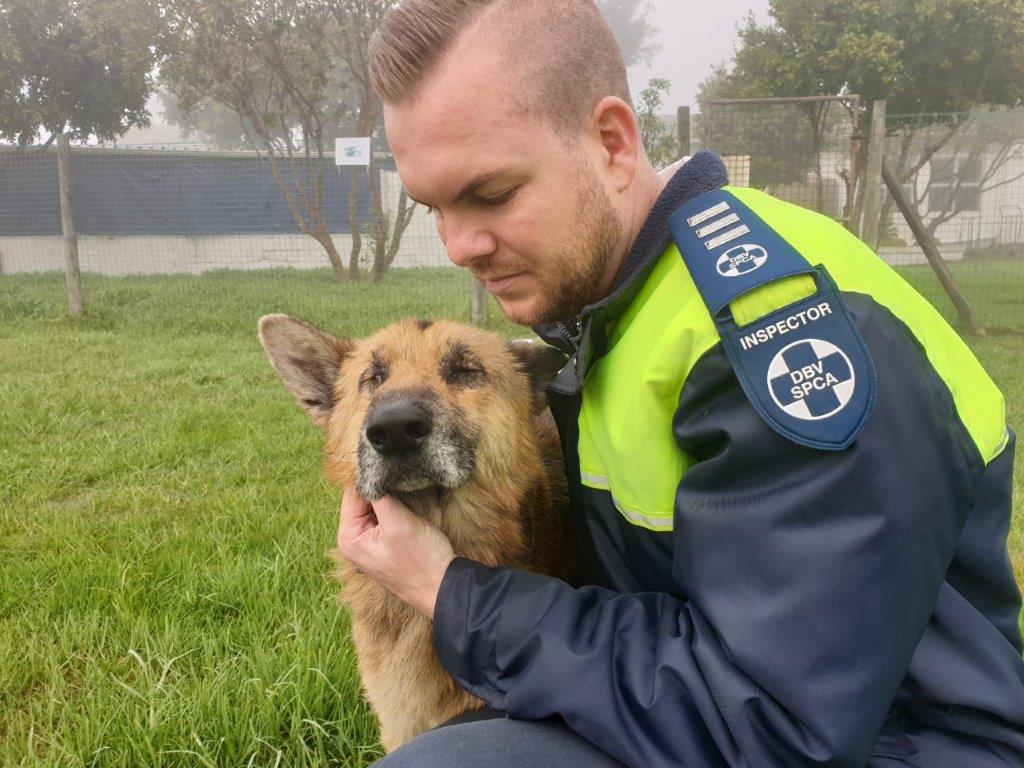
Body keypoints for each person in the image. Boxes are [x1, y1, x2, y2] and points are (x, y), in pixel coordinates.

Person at [335, 1, 1024, 766]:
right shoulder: (622, 308)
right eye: (435, 208)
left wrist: (459, 597)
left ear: (611, 143)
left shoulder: (771, 330)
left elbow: (778, 728)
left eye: (491, 195)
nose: (460, 246)